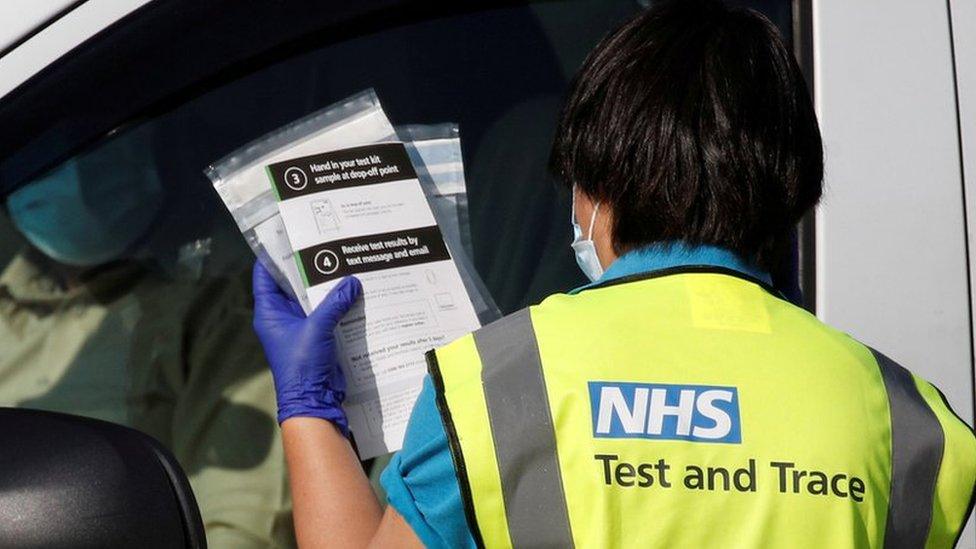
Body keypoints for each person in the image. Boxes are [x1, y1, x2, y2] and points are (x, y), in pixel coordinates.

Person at [252, 1, 976, 547]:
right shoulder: (913, 422)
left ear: (598, 186)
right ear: (790, 185)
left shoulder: (492, 388)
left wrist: (310, 405)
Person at [0, 126, 295, 547]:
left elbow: (244, 527)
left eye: (93, 126)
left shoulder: (226, 301)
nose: (71, 171)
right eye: (44, 143)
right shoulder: (8, 294)